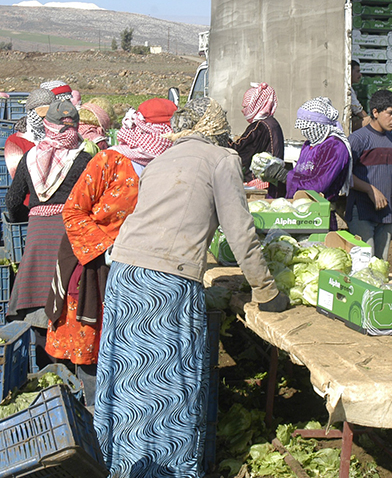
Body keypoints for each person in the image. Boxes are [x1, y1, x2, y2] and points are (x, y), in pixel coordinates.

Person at [93, 97, 286, 478]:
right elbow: (241, 232)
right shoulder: (222, 160)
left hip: (126, 276)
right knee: (166, 381)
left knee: (130, 378)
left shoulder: (161, 159)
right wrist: (266, 291)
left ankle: (125, 465)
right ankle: (165, 469)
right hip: (166, 284)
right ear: (218, 131)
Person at [46, 98, 177, 404]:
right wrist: (108, 247)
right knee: (92, 345)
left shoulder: (169, 166)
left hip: (140, 270)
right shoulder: (110, 161)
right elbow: (74, 211)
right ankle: (89, 416)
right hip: (94, 265)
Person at [5, 100, 92, 360]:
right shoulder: (85, 159)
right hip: (70, 235)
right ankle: (67, 362)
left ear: (47, 126)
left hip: (38, 236)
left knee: (38, 294)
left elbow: (12, 201)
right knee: (66, 296)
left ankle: (43, 363)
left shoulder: (30, 158)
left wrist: (32, 218)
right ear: (76, 127)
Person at [347, 89, 392, 260]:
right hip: (361, 212)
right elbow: (345, 176)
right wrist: (369, 190)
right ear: (375, 112)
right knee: (364, 264)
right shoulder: (358, 139)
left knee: (381, 265)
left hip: (386, 214)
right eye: (390, 113)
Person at [282, 97, 352, 229]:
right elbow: (299, 172)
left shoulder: (335, 147)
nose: (303, 131)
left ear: (318, 125)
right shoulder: (309, 145)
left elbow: (319, 184)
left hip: (319, 217)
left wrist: (286, 176)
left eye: (307, 127)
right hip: (300, 213)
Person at [230, 83, 284, 177]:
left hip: (260, 180)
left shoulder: (259, 127)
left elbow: (240, 150)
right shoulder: (272, 122)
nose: (243, 110)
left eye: (246, 107)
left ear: (256, 105)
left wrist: (221, 137)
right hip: (272, 177)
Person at [4, 87, 56, 179]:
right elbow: (18, 177)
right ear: (30, 112)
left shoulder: (60, 137)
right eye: (42, 114)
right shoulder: (15, 142)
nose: (46, 118)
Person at [350, 60, 370, 131]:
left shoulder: (350, 88)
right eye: (357, 71)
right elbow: (358, 110)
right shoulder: (348, 89)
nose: (360, 75)